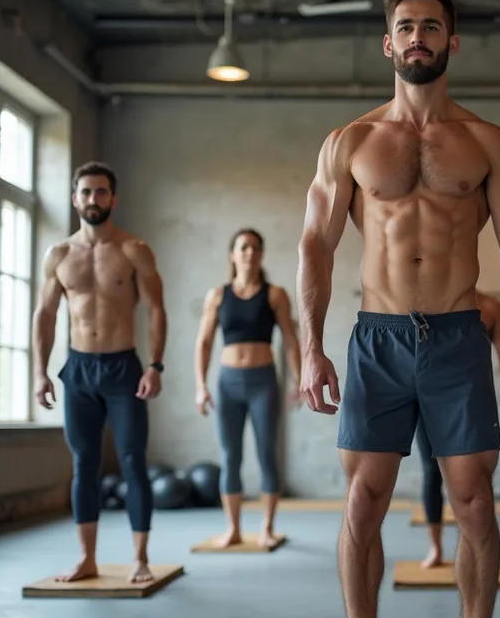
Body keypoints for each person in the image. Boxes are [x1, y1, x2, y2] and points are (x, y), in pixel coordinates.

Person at [296, 0, 500, 618]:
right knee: (363, 502)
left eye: (430, 27)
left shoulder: (488, 143)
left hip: (460, 337)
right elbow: (316, 243)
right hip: (376, 339)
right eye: (405, 27)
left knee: (472, 501)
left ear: (451, 42)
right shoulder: (350, 142)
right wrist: (311, 349)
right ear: (387, 43)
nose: (417, 38)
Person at [32, 161, 167, 584]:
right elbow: (45, 314)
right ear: (75, 198)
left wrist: (155, 365)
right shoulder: (59, 255)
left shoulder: (134, 250)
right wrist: (40, 371)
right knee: (84, 462)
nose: (94, 199)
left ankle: (140, 559)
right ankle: (86, 559)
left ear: (114, 198)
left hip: (123, 367)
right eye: (86, 192)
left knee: (132, 461)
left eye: (102, 192)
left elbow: (157, 310)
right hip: (79, 369)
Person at [194, 228, 302, 550]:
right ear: (233, 254)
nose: (249, 253)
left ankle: (267, 527)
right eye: (243, 247)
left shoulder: (275, 294)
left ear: (261, 254)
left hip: (263, 383)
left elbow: (291, 341)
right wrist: (200, 386)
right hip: (228, 383)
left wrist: (299, 379)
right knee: (230, 458)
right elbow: (204, 342)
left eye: (255, 247)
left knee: (268, 455)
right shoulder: (217, 295)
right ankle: (233, 529)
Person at [415, 289, 500, 569]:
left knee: (474, 476)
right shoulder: (434, 300)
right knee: (432, 470)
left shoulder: (491, 307)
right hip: (428, 397)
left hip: (470, 398)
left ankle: (473, 548)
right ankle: (434, 547)